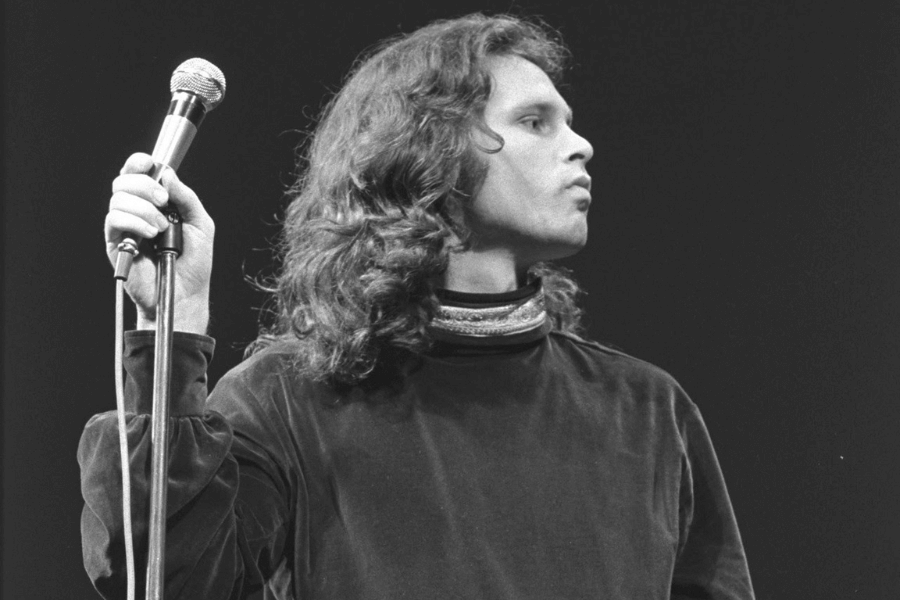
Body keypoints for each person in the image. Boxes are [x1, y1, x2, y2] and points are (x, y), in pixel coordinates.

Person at [81, 13, 756, 600]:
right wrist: (172, 321)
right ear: (430, 153)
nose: (580, 145)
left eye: (566, 123)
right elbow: (167, 578)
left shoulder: (647, 410)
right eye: (534, 122)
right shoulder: (287, 401)